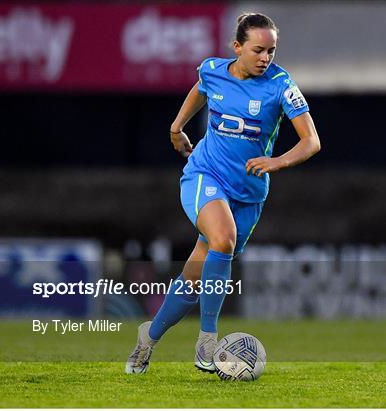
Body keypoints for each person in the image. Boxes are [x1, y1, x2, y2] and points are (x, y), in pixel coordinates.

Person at [126, 13, 321, 374]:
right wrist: (176, 128)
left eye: (272, 51)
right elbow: (199, 90)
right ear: (238, 47)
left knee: (195, 274)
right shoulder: (213, 69)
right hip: (205, 174)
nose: (266, 58)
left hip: (248, 194)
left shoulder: (281, 85)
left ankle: (147, 338)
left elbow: (311, 141)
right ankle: (208, 338)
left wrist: (277, 161)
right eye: (258, 50)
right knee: (224, 238)